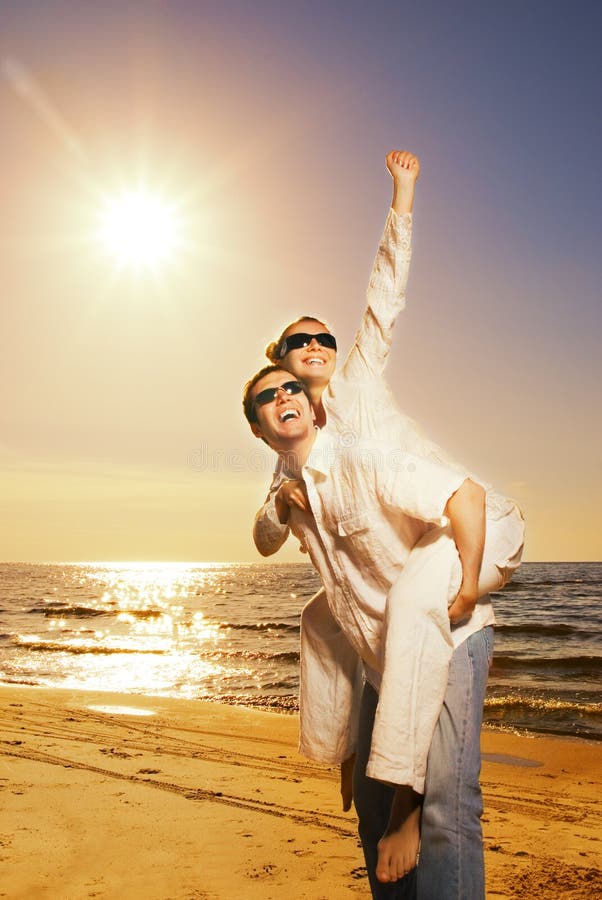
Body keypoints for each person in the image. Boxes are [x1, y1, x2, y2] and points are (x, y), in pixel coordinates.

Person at [248, 153, 524, 898]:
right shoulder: (296, 449)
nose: (315, 347)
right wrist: (281, 504)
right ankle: (363, 774)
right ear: (276, 368)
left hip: (467, 523)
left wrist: (402, 195)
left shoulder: (360, 384)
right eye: (298, 344)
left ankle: (408, 803)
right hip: (409, 563)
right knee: (328, 617)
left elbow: (383, 299)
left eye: (323, 340)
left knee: (408, 608)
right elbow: (268, 535)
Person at [243, 365, 521, 899]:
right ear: (258, 428)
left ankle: (415, 813)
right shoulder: (287, 484)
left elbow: (465, 494)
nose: (283, 396)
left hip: (448, 638)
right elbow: (262, 537)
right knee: (372, 808)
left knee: (446, 804)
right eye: (266, 397)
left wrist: (464, 588)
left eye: (290, 388)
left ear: (309, 402)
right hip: (381, 661)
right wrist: (279, 503)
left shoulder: (359, 457)